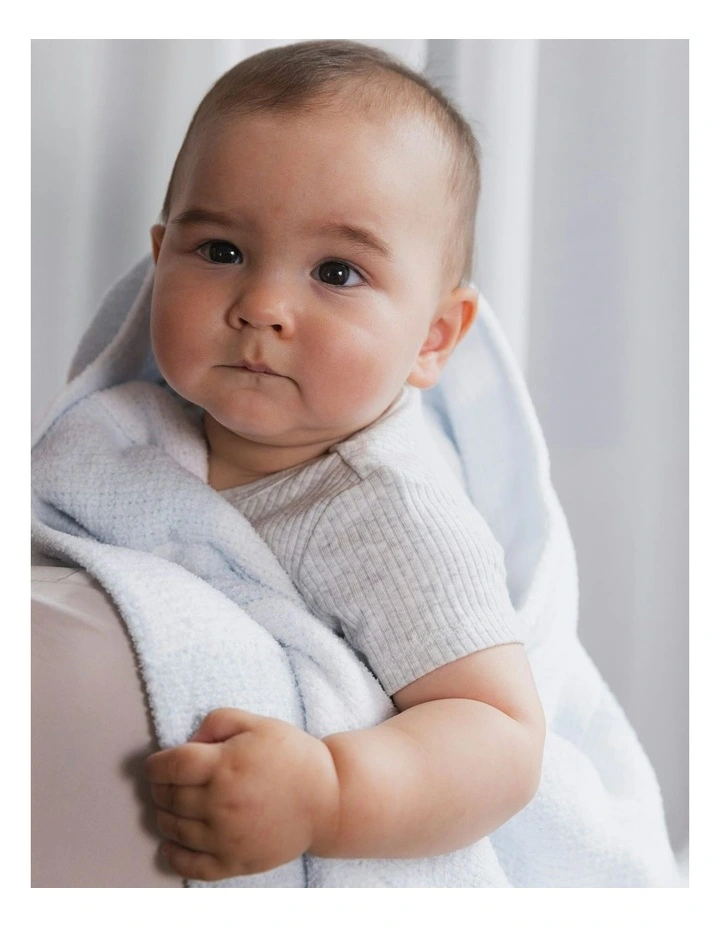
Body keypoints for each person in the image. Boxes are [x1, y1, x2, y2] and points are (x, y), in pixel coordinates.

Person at [142, 40, 546, 882]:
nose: (262, 306)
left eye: (337, 270)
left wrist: (329, 794)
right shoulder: (121, 436)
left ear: (432, 338)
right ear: (159, 256)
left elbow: (499, 734)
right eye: (220, 251)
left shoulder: (389, 514)